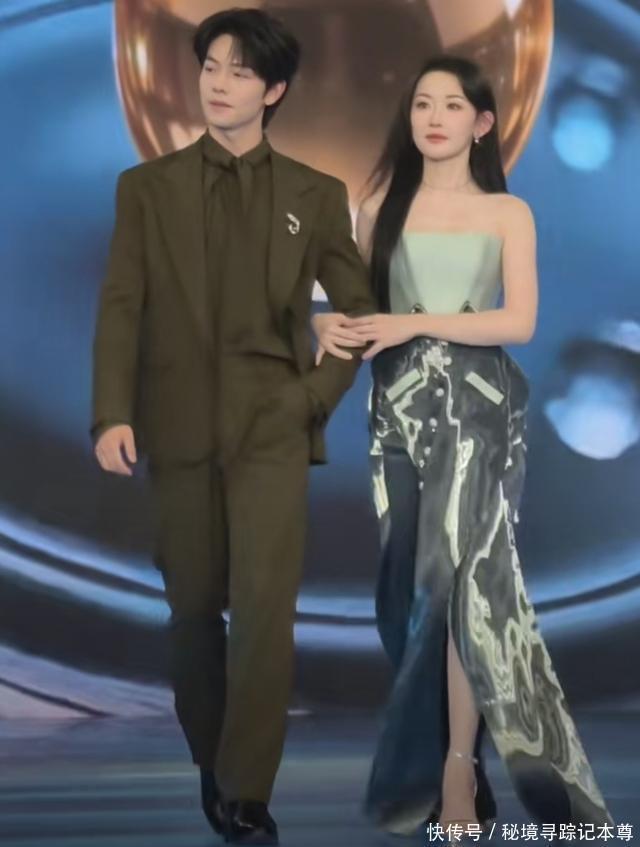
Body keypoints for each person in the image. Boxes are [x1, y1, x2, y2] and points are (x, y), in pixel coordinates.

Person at [91, 9, 374, 844]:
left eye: (239, 71)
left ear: (273, 91)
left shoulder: (316, 195)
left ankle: (248, 791)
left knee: (263, 612)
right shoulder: (145, 188)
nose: (218, 83)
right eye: (210, 66)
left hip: (273, 424)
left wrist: (313, 398)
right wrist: (111, 412)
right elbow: (121, 306)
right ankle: (213, 763)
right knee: (192, 612)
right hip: (176, 423)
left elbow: (357, 311)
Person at [313, 56, 612, 839]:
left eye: (452, 105)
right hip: (397, 412)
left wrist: (413, 323)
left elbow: (519, 322)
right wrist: (329, 323)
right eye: (422, 104)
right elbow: (347, 308)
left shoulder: (507, 213)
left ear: (482, 124)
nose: (434, 117)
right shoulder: (376, 207)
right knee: (406, 598)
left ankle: (451, 770)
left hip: (480, 408)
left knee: (458, 587)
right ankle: (455, 752)